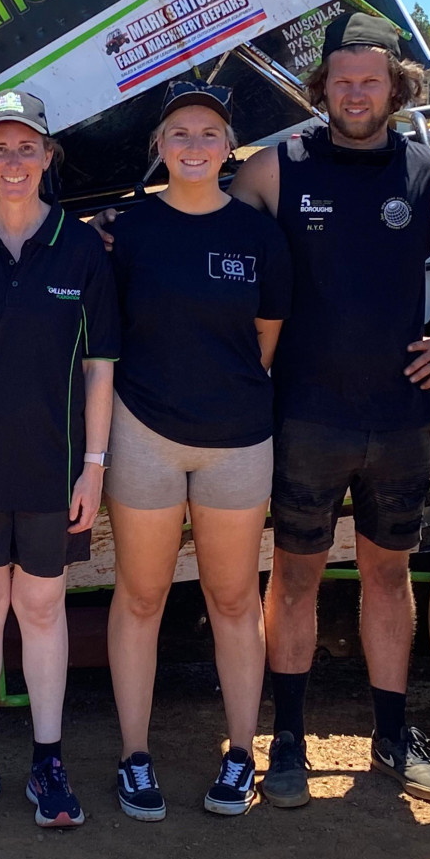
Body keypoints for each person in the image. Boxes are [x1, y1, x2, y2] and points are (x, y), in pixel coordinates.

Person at [225, 11, 430, 809]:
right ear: (322, 87)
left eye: (370, 80)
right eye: (342, 80)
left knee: (387, 573)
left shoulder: (428, 174)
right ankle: (287, 740)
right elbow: (204, 232)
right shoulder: (274, 169)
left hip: (399, 414)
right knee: (296, 578)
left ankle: (391, 733)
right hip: (304, 415)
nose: (355, 93)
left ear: (394, 86)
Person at [0, 90, 119, 828]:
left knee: (40, 607)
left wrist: (93, 464)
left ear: (47, 155)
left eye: (26, 146)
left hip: (53, 465)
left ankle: (46, 759)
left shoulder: (80, 248)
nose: (13, 160)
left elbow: (100, 365)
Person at [103, 79, 291, 820]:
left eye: (208, 132)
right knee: (142, 596)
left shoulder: (258, 234)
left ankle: (242, 751)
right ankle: (133, 756)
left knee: (235, 597)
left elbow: (266, 338)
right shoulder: (132, 230)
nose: (192, 144)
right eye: (178, 132)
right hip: (144, 430)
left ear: (227, 146)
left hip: (238, 440)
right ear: (159, 145)